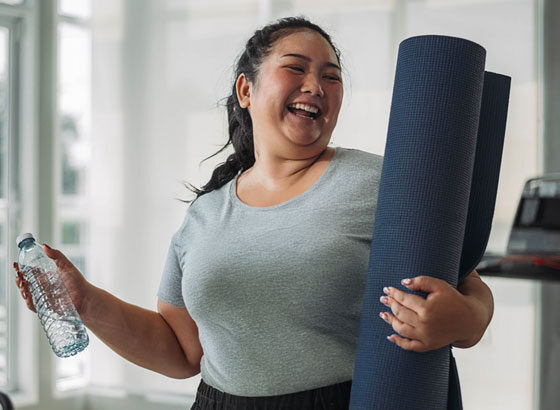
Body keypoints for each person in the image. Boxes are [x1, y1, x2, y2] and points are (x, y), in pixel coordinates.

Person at [14, 16, 494, 410]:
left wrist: (466, 321)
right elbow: (183, 351)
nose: (317, 85)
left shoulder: (381, 183)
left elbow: (468, 285)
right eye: (297, 68)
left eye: (331, 75)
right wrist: (87, 302)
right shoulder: (204, 214)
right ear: (246, 90)